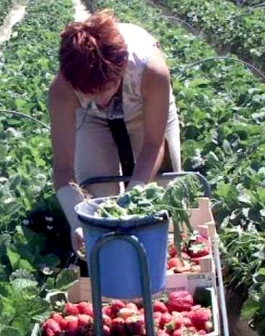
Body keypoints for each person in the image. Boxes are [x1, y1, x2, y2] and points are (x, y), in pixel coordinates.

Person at [47, 10, 182, 254]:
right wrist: (79, 222)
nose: (98, 100)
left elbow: (153, 143)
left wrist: (134, 195)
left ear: (119, 69)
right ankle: (111, 256)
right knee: (99, 194)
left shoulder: (150, 69)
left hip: (143, 107)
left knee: (159, 191)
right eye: (88, 92)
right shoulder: (63, 89)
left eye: (103, 89)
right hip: (91, 120)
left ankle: (156, 257)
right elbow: (63, 168)